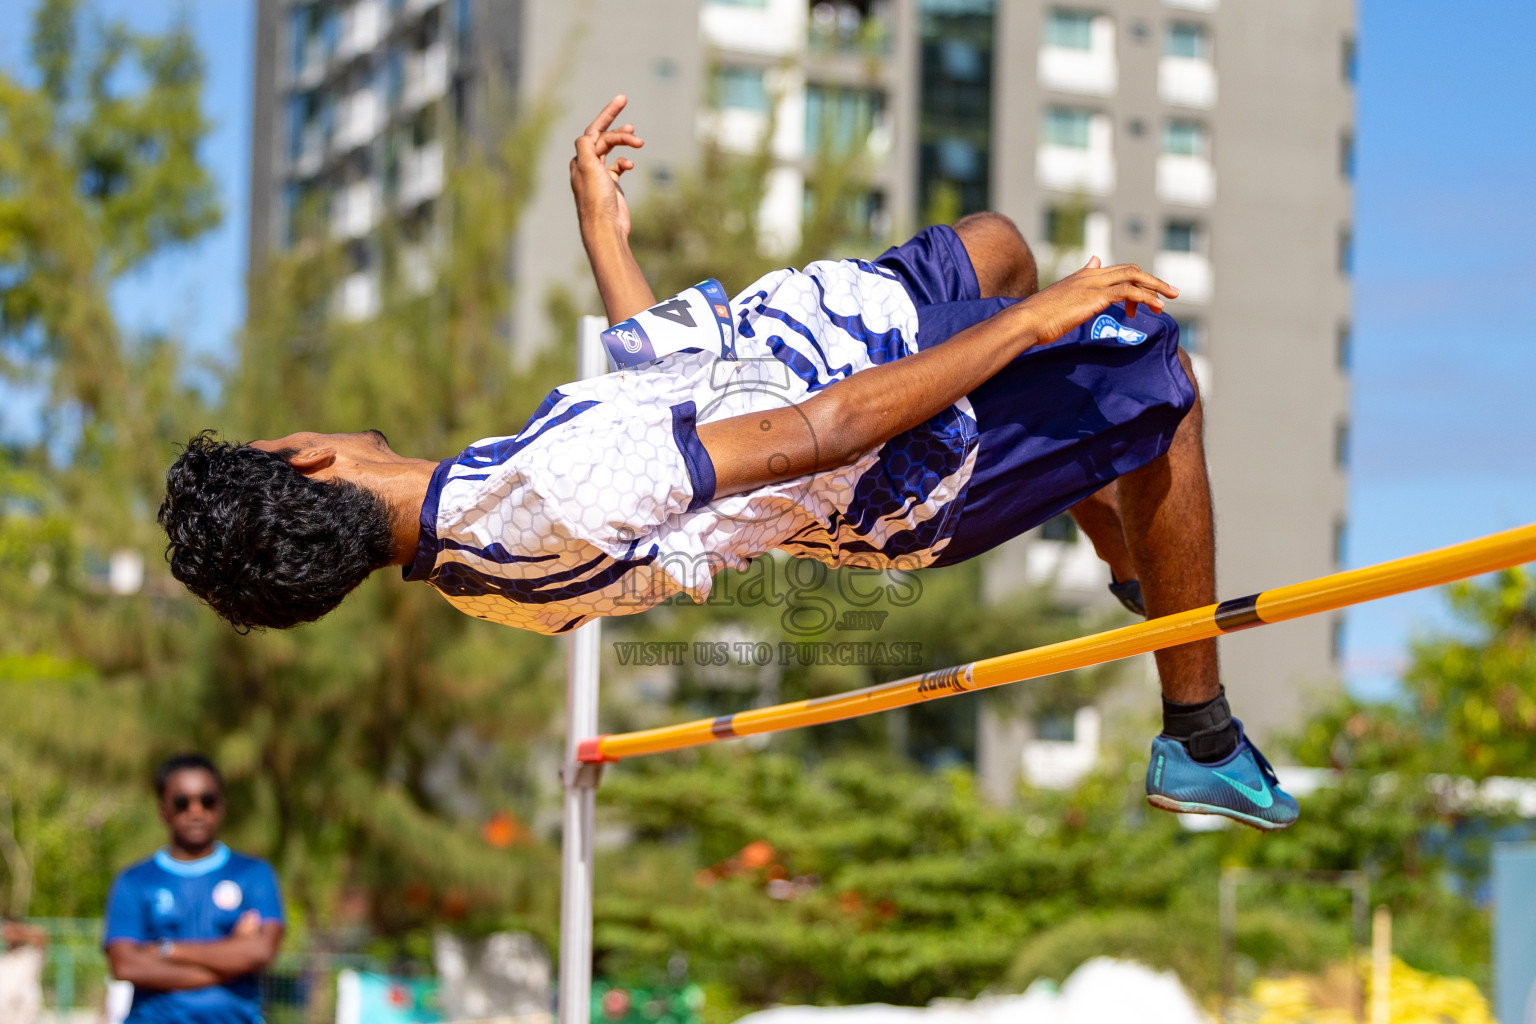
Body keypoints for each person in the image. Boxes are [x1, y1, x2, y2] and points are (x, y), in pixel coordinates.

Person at [157, 96, 1297, 831]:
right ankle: (1197, 729)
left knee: (996, 244)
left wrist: (605, 234)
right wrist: (1032, 324)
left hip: (835, 331)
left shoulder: (474, 535)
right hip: (892, 444)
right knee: (1160, 388)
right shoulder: (542, 498)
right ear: (310, 461)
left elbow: (663, 407)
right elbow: (811, 437)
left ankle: (1149, 570)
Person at [103, 754, 285, 1024]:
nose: (196, 810)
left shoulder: (254, 874)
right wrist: (229, 959)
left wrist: (169, 950)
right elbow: (126, 965)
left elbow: (261, 952)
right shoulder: (133, 881)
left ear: (221, 806)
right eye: (182, 802)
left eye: (207, 800)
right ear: (163, 810)